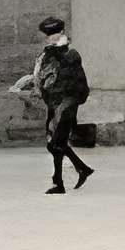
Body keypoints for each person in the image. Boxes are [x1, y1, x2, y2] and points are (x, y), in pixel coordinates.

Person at [16, 17, 93, 196]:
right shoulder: (48, 55)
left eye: (53, 36)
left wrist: (51, 89)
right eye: (49, 36)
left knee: (56, 144)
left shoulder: (69, 55)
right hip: (54, 103)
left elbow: (67, 81)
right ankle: (81, 170)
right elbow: (43, 79)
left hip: (65, 105)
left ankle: (60, 182)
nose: (49, 39)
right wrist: (29, 86)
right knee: (54, 143)